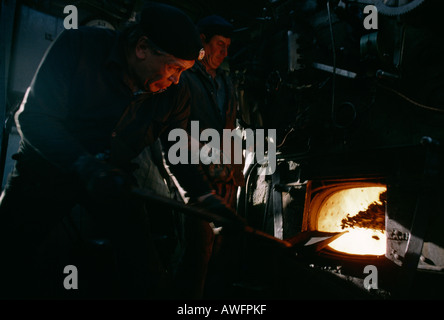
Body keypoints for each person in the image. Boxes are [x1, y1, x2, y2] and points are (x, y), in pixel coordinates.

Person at [0, 3, 239, 300]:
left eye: (184, 71)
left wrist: (204, 196)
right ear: (141, 48)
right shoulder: (79, 47)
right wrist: (84, 164)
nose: (178, 79)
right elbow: (33, 118)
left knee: (145, 273)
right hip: (46, 168)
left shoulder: (175, 91)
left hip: (114, 179)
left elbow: (179, 147)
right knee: (7, 255)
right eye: (174, 68)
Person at [172, 15, 246, 299]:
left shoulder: (225, 82)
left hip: (225, 178)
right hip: (197, 179)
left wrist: (235, 164)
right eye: (219, 44)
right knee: (198, 250)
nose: (224, 52)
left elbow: (231, 129)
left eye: (227, 46)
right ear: (201, 40)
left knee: (219, 249)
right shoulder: (184, 78)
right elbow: (175, 134)